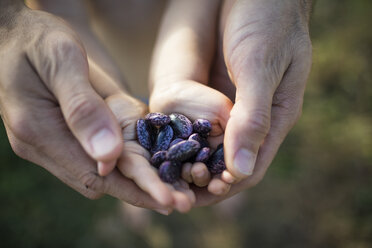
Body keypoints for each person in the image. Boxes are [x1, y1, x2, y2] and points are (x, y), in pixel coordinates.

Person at [0, 0, 312, 212]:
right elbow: (57, 8)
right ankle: (131, 186)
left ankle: (224, 177)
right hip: (101, 56)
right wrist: (7, 24)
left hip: (198, 50)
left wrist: (176, 74)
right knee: (124, 124)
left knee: (228, 137)